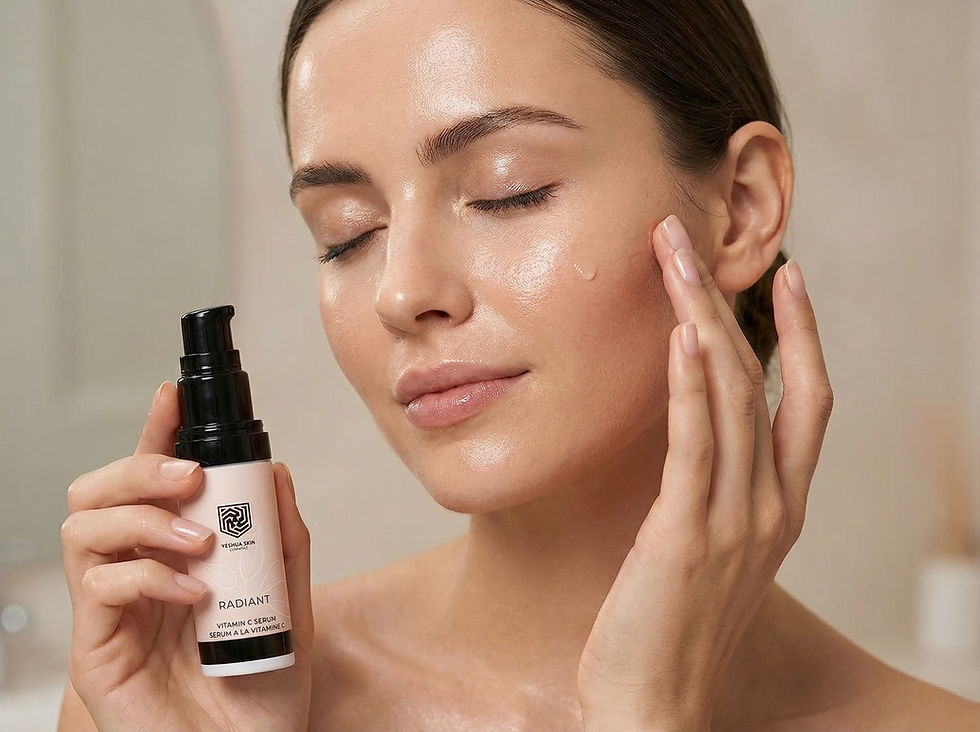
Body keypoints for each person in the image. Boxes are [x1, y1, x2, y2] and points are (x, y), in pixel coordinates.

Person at [58, 0, 980, 729]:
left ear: (739, 207)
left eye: (509, 189)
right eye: (348, 234)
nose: (400, 289)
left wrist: (645, 718)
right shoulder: (176, 703)